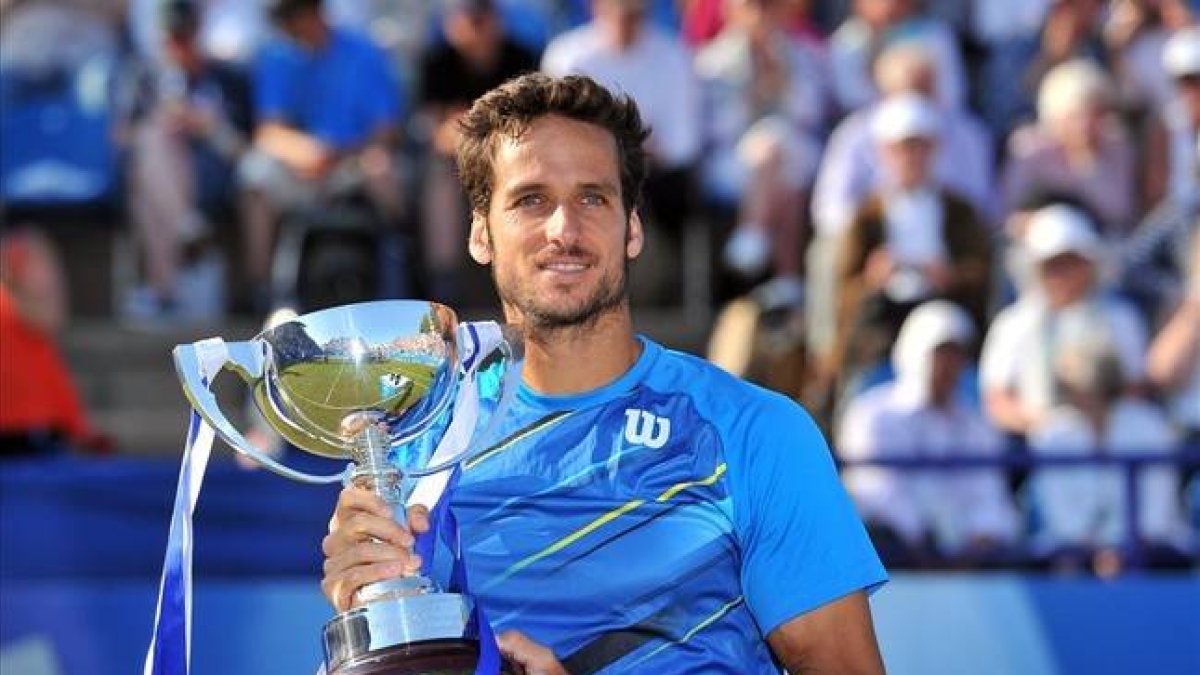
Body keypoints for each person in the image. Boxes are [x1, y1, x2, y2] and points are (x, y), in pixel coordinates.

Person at [321, 73, 887, 673]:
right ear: (481, 233)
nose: (564, 229)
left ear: (633, 227)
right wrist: (365, 613)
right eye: (531, 199)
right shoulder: (418, 448)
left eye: (592, 197)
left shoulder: (753, 432)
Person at [237, 0, 404, 309]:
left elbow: (387, 128)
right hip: (299, 170)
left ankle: (404, 282)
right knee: (255, 175)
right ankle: (261, 292)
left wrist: (340, 153)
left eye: (293, 15)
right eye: (283, 18)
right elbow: (269, 132)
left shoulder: (363, 52)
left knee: (382, 170)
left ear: (315, 12)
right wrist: (305, 152)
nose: (288, 25)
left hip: (353, 164)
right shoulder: (277, 55)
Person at [830, 94, 993, 407]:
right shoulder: (865, 217)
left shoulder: (960, 211)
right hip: (883, 327)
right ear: (884, 154)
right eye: (902, 149)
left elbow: (980, 269)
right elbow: (844, 289)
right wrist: (872, 280)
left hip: (946, 314)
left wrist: (950, 275)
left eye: (919, 147)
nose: (911, 158)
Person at [839, 301, 1020, 567]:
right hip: (896, 556)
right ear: (914, 353)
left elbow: (990, 493)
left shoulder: (976, 424)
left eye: (956, 355)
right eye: (939, 353)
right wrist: (925, 538)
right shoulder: (872, 414)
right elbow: (874, 491)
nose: (948, 365)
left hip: (968, 563)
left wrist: (982, 536)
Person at [121, 0, 251, 320]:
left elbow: (247, 149)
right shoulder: (145, 78)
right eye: (171, 39)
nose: (178, 47)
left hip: (217, 175)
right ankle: (186, 230)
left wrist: (208, 126)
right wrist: (164, 123)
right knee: (152, 147)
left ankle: (164, 292)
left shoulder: (227, 78)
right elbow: (122, 137)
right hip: (165, 176)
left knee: (146, 188)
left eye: (185, 38)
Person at [981, 205, 1149, 438]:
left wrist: (1097, 421)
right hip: (1037, 450)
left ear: (1090, 265)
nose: (1062, 274)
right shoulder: (1013, 323)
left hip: (1109, 443)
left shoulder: (1120, 318)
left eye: (1071, 262)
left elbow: (1135, 387)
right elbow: (997, 400)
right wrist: (1043, 425)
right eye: (1053, 265)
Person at [418, 0, 538, 303]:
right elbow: (438, 135)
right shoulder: (438, 63)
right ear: (451, 24)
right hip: (458, 160)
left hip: (515, 155)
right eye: (470, 20)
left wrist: (470, 127)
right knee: (441, 186)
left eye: (483, 19)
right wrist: (485, 133)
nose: (478, 29)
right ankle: (443, 281)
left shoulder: (522, 58)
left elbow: (533, 125)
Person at [0, 229, 106, 458]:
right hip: (19, 436)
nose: (52, 280)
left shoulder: (36, 339)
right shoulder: (9, 311)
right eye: (43, 267)